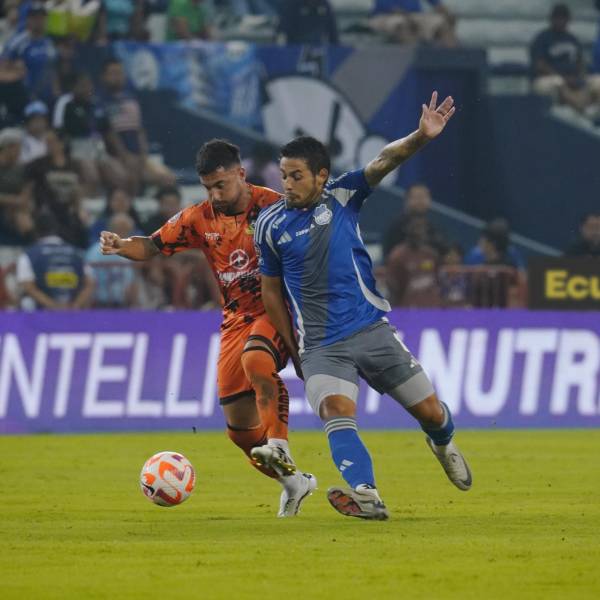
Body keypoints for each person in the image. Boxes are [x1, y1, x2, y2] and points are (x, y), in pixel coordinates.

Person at [255, 92, 471, 521]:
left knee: (431, 412)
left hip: (371, 329)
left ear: (321, 176)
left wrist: (421, 137)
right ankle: (365, 494)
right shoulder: (269, 225)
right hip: (321, 346)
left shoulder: (343, 195)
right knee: (337, 412)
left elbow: (384, 160)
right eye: (284, 176)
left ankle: (442, 442)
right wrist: (294, 349)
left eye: (297, 176)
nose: (288, 185)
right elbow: (270, 292)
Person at [99, 139, 316, 517]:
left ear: (241, 174)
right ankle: (294, 482)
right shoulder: (199, 219)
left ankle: (279, 444)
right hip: (234, 321)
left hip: (275, 310)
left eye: (221, 185)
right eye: (207, 187)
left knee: (257, 361)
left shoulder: (274, 207)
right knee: (240, 430)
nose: (214, 195)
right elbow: (152, 245)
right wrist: (121, 245)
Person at [99, 58, 176, 195]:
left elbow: (140, 129)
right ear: (104, 76)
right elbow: (109, 133)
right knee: (129, 178)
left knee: (168, 178)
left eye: (120, 73)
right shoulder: (101, 101)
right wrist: (124, 155)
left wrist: (143, 155)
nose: (117, 77)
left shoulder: (132, 99)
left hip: (138, 156)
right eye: (113, 73)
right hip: (115, 157)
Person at [16, 210, 94, 310]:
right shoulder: (77, 253)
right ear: (56, 229)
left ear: (36, 230)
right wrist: (75, 306)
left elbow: (28, 287)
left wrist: (54, 306)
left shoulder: (28, 255)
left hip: (40, 315)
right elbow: (90, 283)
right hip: (72, 314)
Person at [530, 4, 600, 114]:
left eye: (564, 18)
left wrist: (581, 77)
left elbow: (580, 62)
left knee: (597, 81)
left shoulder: (572, 39)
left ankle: (594, 116)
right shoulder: (542, 38)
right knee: (557, 82)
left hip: (573, 80)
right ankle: (579, 106)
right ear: (552, 19)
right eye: (558, 18)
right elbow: (540, 64)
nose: (561, 21)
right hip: (549, 79)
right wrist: (561, 77)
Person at [381, 182, 447, 259]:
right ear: (407, 200)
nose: (420, 201)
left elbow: (444, 253)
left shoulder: (435, 228)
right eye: (416, 197)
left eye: (424, 197)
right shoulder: (396, 227)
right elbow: (388, 256)